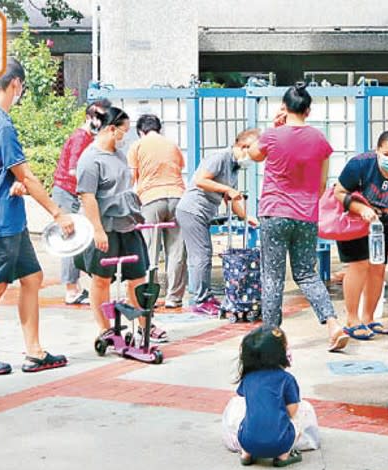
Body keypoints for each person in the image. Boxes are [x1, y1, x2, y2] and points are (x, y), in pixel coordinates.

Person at [0, 58, 72, 375]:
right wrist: (58, 213)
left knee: (32, 278)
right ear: (15, 84)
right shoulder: (1, 124)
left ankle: (35, 352)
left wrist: (13, 186)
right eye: (21, 88)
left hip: (7, 215)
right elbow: (29, 176)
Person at [248, 83, 349, 352]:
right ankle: (332, 323)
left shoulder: (272, 136)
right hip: (306, 214)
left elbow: (253, 155)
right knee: (306, 273)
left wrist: (275, 125)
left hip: (274, 212)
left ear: (285, 107)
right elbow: (320, 185)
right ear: (308, 110)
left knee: (273, 277)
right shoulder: (319, 140)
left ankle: (272, 338)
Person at [74, 106, 168, 344]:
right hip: (103, 225)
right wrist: (97, 230)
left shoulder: (119, 153)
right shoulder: (90, 159)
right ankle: (105, 329)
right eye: (123, 131)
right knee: (101, 278)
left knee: (138, 276)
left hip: (127, 222)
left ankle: (145, 324)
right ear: (111, 129)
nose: (126, 136)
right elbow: (87, 196)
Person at [333, 131, 388, 339]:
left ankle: (368, 318)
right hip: (353, 222)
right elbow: (339, 191)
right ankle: (352, 319)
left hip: (379, 227)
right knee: (359, 265)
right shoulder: (360, 165)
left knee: (378, 269)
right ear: (377, 150)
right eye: (386, 154)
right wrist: (360, 209)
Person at [176, 128, 260, 315]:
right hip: (192, 210)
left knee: (205, 254)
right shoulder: (220, 157)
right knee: (201, 255)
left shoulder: (234, 167)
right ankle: (199, 300)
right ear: (243, 146)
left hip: (204, 213)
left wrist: (247, 218)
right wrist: (227, 189)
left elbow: (232, 198)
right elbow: (200, 180)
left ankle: (205, 297)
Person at [52, 98, 111, 305]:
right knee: (71, 240)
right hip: (67, 192)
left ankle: (76, 286)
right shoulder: (80, 137)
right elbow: (73, 169)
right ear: (89, 117)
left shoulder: (89, 138)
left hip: (73, 193)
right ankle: (71, 290)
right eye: (99, 118)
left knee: (78, 240)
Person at [127, 114, 187, 308]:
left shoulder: (137, 146)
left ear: (140, 131)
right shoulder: (172, 145)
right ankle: (174, 298)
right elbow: (180, 167)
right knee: (177, 250)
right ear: (158, 129)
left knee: (150, 249)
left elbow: (131, 178)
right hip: (178, 197)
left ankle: (148, 296)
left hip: (151, 199)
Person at [235, 326, 302, 467]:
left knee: (244, 418)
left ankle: (246, 454)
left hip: (247, 440)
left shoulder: (248, 378)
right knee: (299, 422)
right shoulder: (286, 379)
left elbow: (243, 399)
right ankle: (283, 457)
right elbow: (292, 411)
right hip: (279, 443)